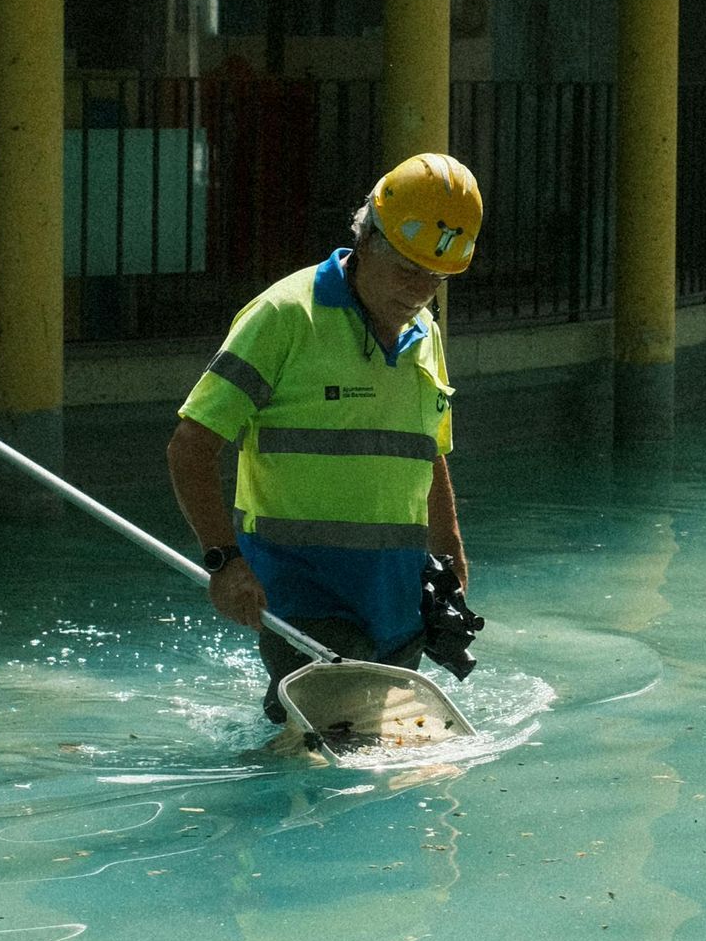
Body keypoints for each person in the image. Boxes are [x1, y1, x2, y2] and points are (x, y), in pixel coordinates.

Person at [167, 152, 481, 720]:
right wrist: (223, 561)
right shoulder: (284, 317)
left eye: (437, 277)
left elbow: (425, 449)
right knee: (331, 727)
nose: (420, 290)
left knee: (372, 747)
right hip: (302, 592)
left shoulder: (425, 331)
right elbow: (191, 445)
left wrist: (448, 546)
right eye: (409, 269)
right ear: (368, 240)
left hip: (396, 595)